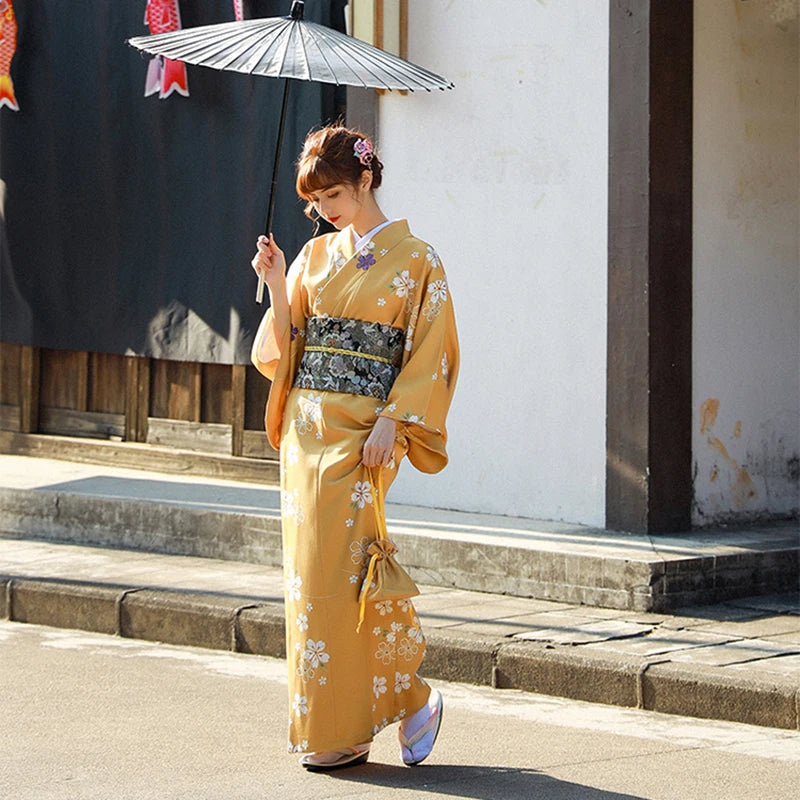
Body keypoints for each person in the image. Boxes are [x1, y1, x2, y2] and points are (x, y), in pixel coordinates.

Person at [250, 124, 459, 771]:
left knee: (351, 580)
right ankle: (342, 726)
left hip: (366, 437)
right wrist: (279, 280)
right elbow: (283, 347)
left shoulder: (419, 260)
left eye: (334, 194)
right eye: (316, 203)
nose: (325, 211)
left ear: (366, 179)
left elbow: (434, 352)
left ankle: (411, 699)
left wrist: (396, 420)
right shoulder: (314, 258)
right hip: (306, 435)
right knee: (310, 583)